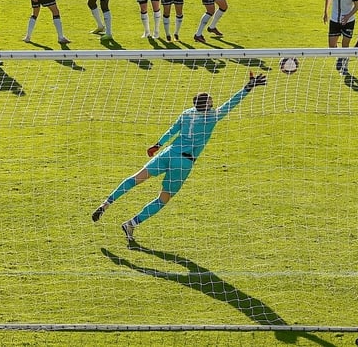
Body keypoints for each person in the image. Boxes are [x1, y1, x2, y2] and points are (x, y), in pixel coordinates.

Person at [91, 72, 268, 244]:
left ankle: (106, 204)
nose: (214, 104)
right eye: (211, 101)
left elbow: (172, 130)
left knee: (135, 178)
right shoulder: (212, 117)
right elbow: (231, 103)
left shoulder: (186, 113)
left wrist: (158, 145)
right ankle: (131, 224)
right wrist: (248, 87)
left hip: (168, 152)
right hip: (184, 163)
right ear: (206, 105)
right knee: (163, 199)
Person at [323, 0, 358, 75]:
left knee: (345, 45)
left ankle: (345, 66)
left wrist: (348, 16)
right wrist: (325, 12)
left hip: (348, 21)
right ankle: (340, 56)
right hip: (334, 19)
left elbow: (357, 6)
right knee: (331, 46)